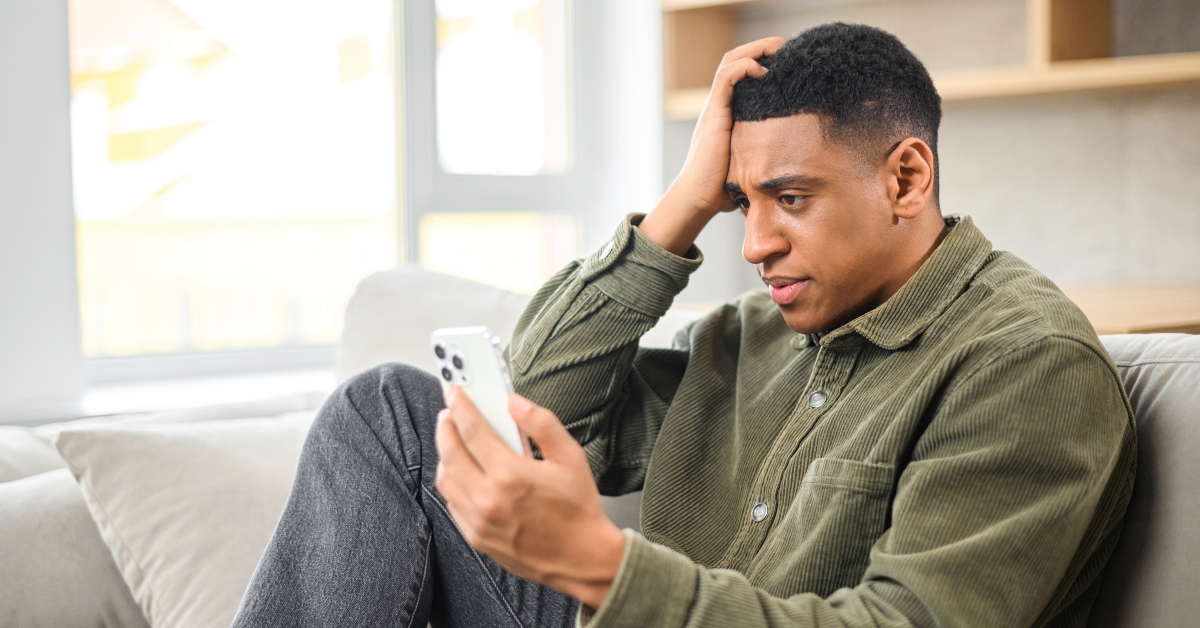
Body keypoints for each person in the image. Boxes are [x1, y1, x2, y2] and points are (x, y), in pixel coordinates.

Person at [232, 23, 1135, 628]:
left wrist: (604, 570)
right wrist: (676, 211)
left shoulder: (1024, 365)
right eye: (739, 203)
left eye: (790, 198)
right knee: (388, 411)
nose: (755, 244)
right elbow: (533, 405)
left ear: (906, 178)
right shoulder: (751, 335)